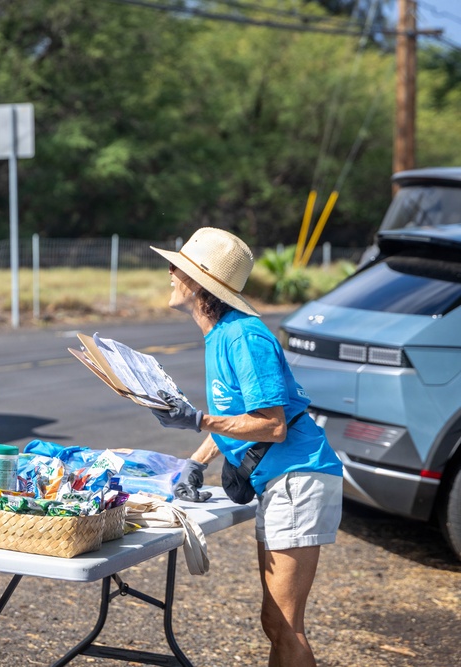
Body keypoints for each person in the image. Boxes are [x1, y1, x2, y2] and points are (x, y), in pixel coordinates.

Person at [146, 227, 342, 667]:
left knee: (285, 625)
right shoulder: (221, 333)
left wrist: (197, 420)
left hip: (297, 477)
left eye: (178, 267)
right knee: (274, 622)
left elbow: (272, 425)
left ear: (201, 283)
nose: (170, 273)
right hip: (284, 480)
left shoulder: (243, 337)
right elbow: (241, 416)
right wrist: (197, 461)